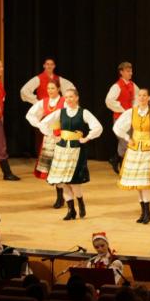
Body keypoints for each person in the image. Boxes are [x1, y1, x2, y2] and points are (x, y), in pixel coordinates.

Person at [39, 88, 104, 221]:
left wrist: (87, 138)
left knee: (74, 181)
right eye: (67, 97)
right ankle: (71, 210)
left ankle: (80, 202)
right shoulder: (61, 112)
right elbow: (44, 123)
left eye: (71, 97)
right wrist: (53, 136)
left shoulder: (83, 112)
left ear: (77, 98)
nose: (68, 99)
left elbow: (98, 127)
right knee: (63, 182)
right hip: (62, 149)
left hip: (76, 149)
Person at [113, 88, 150, 224]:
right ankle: (143, 212)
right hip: (134, 149)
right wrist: (127, 138)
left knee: (144, 183)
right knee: (137, 184)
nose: (142, 98)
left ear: (149, 98)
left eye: (144, 96)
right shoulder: (131, 112)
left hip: (147, 150)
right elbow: (117, 127)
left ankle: (148, 212)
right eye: (140, 96)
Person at [20, 58, 77, 154]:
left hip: (58, 112)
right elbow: (24, 91)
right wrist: (36, 101)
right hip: (45, 111)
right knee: (43, 139)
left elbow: (72, 89)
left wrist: (65, 99)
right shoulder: (38, 78)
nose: (49, 66)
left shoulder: (59, 79)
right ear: (44, 66)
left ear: (54, 66)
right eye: (47, 64)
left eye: (51, 64)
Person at [26, 80, 67, 208]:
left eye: (53, 88)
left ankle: (62, 197)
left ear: (58, 89)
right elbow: (30, 115)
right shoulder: (43, 102)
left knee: (60, 168)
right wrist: (40, 125)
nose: (50, 91)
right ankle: (61, 195)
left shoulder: (64, 101)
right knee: (52, 168)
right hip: (50, 137)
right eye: (48, 88)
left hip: (62, 136)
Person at [105, 62, 138, 173]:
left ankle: (117, 160)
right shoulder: (116, 86)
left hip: (130, 118)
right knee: (125, 140)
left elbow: (137, 98)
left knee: (128, 140)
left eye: (131, 71)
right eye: (128, 71)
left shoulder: (133, 85)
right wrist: (123, 110)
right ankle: (122, 164)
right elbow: (109, 101)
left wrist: (134, 110)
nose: (130, 73)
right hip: (120, 118)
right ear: (121, 72)